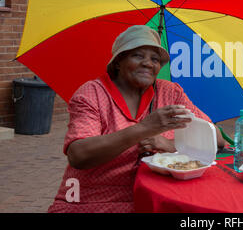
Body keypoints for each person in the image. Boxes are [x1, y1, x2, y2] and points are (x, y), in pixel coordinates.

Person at [48, 25, 225, 213]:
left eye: (155, 59)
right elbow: (79, 155)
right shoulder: (92, 94)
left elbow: (217, 138)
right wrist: (144, 128)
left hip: (156, 197)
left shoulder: (170, 93)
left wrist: (171, 144)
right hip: (89, 200)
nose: (148, 63)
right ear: (118, 62)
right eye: (138, 55)